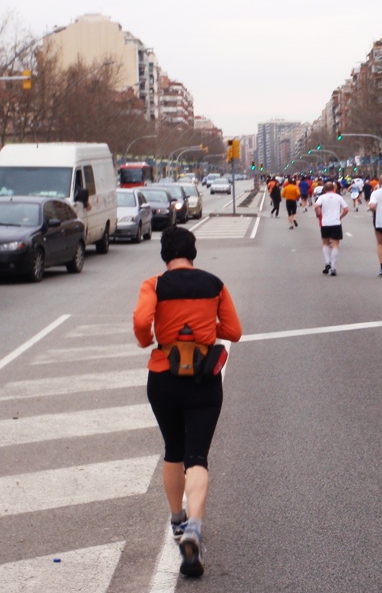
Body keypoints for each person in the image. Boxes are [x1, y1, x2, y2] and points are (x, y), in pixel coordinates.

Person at [133, 226, 243, 578]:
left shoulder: (155, 285)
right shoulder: (214, 284)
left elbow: (140, 322)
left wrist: (147, 338)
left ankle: (178, 522)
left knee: (173, 450)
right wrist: (205, 331)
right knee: (197, 457)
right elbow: (234, 331)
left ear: (165, 255)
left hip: (163, 377)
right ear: (193, 253)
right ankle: (195, 524)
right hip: (203, 382)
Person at [314, 181, 349, 275]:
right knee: (335, 244)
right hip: (336, 223)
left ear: (324, 189)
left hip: (325, 223)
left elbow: (316, 205)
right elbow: (346, 209)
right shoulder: (338, 197)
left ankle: (327, 261)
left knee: (325, 243)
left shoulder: (321, 197)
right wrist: (341, 216)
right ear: (334, 189)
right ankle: (333, 266)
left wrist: (318, 213)